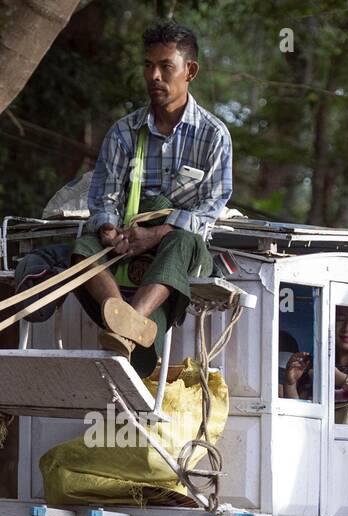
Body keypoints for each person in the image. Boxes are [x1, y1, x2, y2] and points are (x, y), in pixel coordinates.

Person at [72, 21, 233, 374]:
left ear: (189, 71)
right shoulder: (123, 132)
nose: (154, 76)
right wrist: (108, 230)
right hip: (127, 242)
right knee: (83, 243)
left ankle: (131, 322)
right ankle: (122, 320)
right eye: (148, 65)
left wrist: (158, 232)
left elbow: (209, 210)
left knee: (181, 239)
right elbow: (104, 197)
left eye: (165, 66)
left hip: (180, 247)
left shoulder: (214, 136)